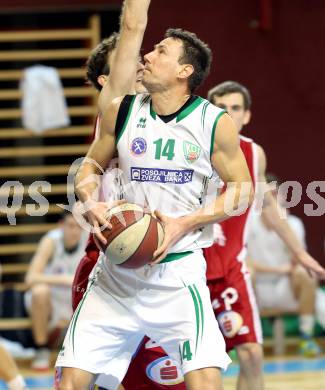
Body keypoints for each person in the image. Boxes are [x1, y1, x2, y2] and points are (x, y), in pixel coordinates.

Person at [56, 27, 255, 390]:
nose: (147, 57)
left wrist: (186, 222)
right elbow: (89, 166)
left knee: (205, 380)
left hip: (177, 274)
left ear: (184, 72)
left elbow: (242, 190)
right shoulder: (122, 110)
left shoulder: (212, 122)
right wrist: (91, 198)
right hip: (115, 277)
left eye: (161, 52)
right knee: (69, 382)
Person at [120, 81, 325, 390]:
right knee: (174, 370)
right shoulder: (184, 141)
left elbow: (269, 207)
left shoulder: (254, 153)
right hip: (186, 267)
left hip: (229, 272)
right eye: (222, 107)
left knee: (253, 355)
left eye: (236, 108)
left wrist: (298, 251)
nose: (228, 113)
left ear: (247, 115)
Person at [248, 174, 321, 356]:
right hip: (256, 291)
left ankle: (306, 338)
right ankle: (243, 341)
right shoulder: (248, 225)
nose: (272, 200)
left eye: (275, 194)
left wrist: (284, 227)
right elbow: (243, 262)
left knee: (305, 275)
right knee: (247, 273)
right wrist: (278, 269)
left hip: (285, 287)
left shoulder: (294, 223)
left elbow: (298, 261)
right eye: (266, 195)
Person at [24, 210, 87, 371]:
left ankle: (77, 347)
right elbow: (30, 278)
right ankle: (41, 349)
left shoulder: (88, 241)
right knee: (39, 292)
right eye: (70, 226)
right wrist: (66, 279)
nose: (74, 231)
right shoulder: (51, 241)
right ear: (61, 226)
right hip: (50, 300)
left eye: (78, 227)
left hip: (73, 298)